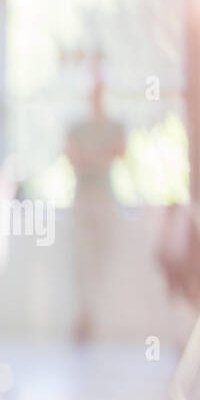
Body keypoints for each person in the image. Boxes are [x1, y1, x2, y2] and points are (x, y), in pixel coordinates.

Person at [65, 70, 125, 343]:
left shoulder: (115, 126)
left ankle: (103, 319)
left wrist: (92, 157)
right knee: (82, 259)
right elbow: (74, 156)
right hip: (82, 198)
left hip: (104, 197)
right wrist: (99, 156)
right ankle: (83, 317)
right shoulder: (76, 127)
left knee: (105, 257)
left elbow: (117, 153)